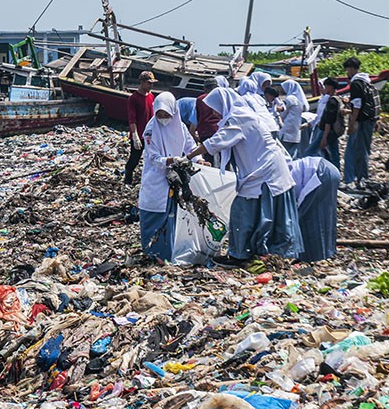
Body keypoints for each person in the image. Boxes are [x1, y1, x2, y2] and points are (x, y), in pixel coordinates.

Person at [183, 87, 304, 267]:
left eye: (215, 107)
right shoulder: (240, 114)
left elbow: (215, 142)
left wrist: (187, 157)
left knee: (243, 211)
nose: (214, 112)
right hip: (262, 169)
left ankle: (241, 255)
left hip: (265, 171)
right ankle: (253, 251)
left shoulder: (239, 118)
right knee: (256, 212)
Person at [138, 91, 199, 263]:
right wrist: (170, 160)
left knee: (171, 218)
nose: (163, 118)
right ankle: (152, 256)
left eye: (167, 114)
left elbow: (190, 145)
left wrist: (199, 158)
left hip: (174, 180)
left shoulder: (180, 127)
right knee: (154, 218)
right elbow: (154, 158)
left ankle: (167, 255)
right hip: (155, 181)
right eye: (160, 114)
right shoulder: (151, 130)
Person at [289, 157, 340, 262]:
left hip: (320, 172)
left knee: (307, 218)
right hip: (328, 170)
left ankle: (311, 257)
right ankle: (324, 253)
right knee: (324, 216)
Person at [342, 57, 379, 183]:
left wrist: (352, 124)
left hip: (362, 121)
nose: (347, 72)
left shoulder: (356, 83)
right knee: (364, 149)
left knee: (360, 150)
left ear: (351, 69)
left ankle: (362, 179)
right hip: (370, 119)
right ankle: (361, 177)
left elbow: (357, 105)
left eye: (347, 69)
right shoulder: (367, 82)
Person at [125, 71, 156, 185]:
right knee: (134, 159)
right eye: (149, 83)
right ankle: (128, 179)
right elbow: (132, 119)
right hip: (139, 134)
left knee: (152, 159)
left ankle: (149, 180)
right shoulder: (133, 98)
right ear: (142, 82)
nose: (151, 86)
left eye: (152, 83)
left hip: (150, 135)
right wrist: (135, 136)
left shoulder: (152, 97)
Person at [278, 80, 309, 158]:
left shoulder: (290, 98)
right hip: (295, 129)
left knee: (284, 152)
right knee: (293, 153)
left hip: (287, 128)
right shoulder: (299, 100)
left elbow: (283, 111)